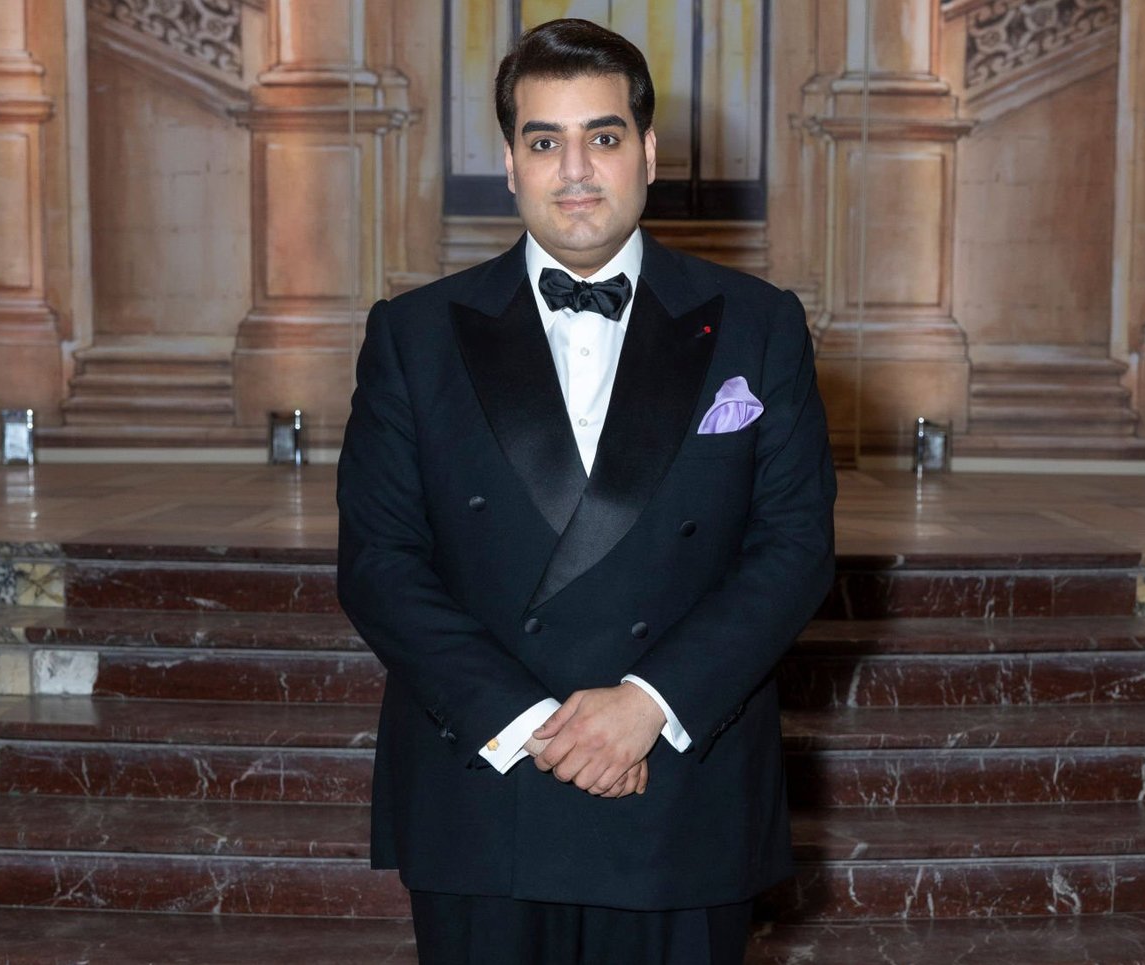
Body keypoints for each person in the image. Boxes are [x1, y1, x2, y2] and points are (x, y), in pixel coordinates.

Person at [337, 17, 836, 965]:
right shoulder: (414, 334)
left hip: (679, 790)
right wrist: (536, 727)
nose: (575, 170)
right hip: (486, 792)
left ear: (649, 152)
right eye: (544, 141)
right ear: (512, 164)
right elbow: (378, 562)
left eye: (603, 137)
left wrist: (650, 701)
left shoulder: (758, 327)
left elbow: (795, 547)